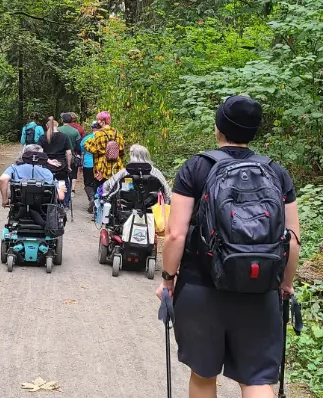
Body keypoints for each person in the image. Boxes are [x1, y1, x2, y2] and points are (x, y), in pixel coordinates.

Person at [156, 95, 300, 398]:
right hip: (260, 292)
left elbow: (175, 235)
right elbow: (291, 238)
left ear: (218, 127)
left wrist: (168, 281)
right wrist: (285, 284)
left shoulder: (196, 167)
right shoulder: (276, 173)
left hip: (201, 288)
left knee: (203, 375)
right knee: (258, 379)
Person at [0, 144, 66, 226]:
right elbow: (61, 196)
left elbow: (3, 179)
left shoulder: (14, 168)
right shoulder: (47, 173)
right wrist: (61, 187)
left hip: (19, 207)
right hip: (43, 211)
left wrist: (5, 200)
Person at [102, 144, 171, 202]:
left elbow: (106, 186)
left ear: (132, 156)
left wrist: (107, 197)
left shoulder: (125, 172)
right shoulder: (155, 172)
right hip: (153, 209)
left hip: (126, 209)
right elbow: (167, 192)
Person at [83, 111, 125, 187]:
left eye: (98, 120)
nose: (97, 122)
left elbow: (88, 146)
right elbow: (122, 151)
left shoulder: (98, 134)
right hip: (117, 166)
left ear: (103, 121)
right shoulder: (117, 133)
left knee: (101, 191)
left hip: (102, 167)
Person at [58, 112, 81, 195]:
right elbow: (78, 146)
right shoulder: (75, 131)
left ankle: (61, 193)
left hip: (60, 156)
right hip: (72, 155)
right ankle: (72, 191)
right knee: (73, 174)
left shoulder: (58, 130)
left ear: (62, 120)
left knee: (61, 176)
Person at [80, 121, 100, 213]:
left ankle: (91, 198)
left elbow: (81, 150)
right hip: (99, 164)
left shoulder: (86, 138)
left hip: (88, 164)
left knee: (88, 183)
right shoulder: (103, 137)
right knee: (98, 183)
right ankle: (97, 201)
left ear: (92, 128)